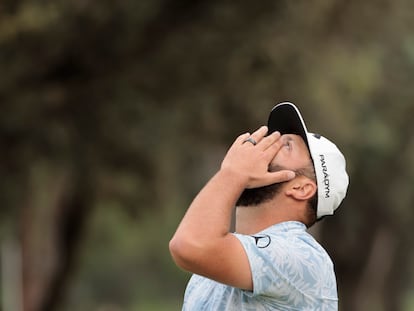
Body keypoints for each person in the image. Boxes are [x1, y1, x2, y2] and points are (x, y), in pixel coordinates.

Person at [169, 102, 349, 310]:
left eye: (285, 145)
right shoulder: (215, 265)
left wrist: (232, 173)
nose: (261, 145)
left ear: (301, 188)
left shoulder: (302, 256)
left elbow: (188, 246)